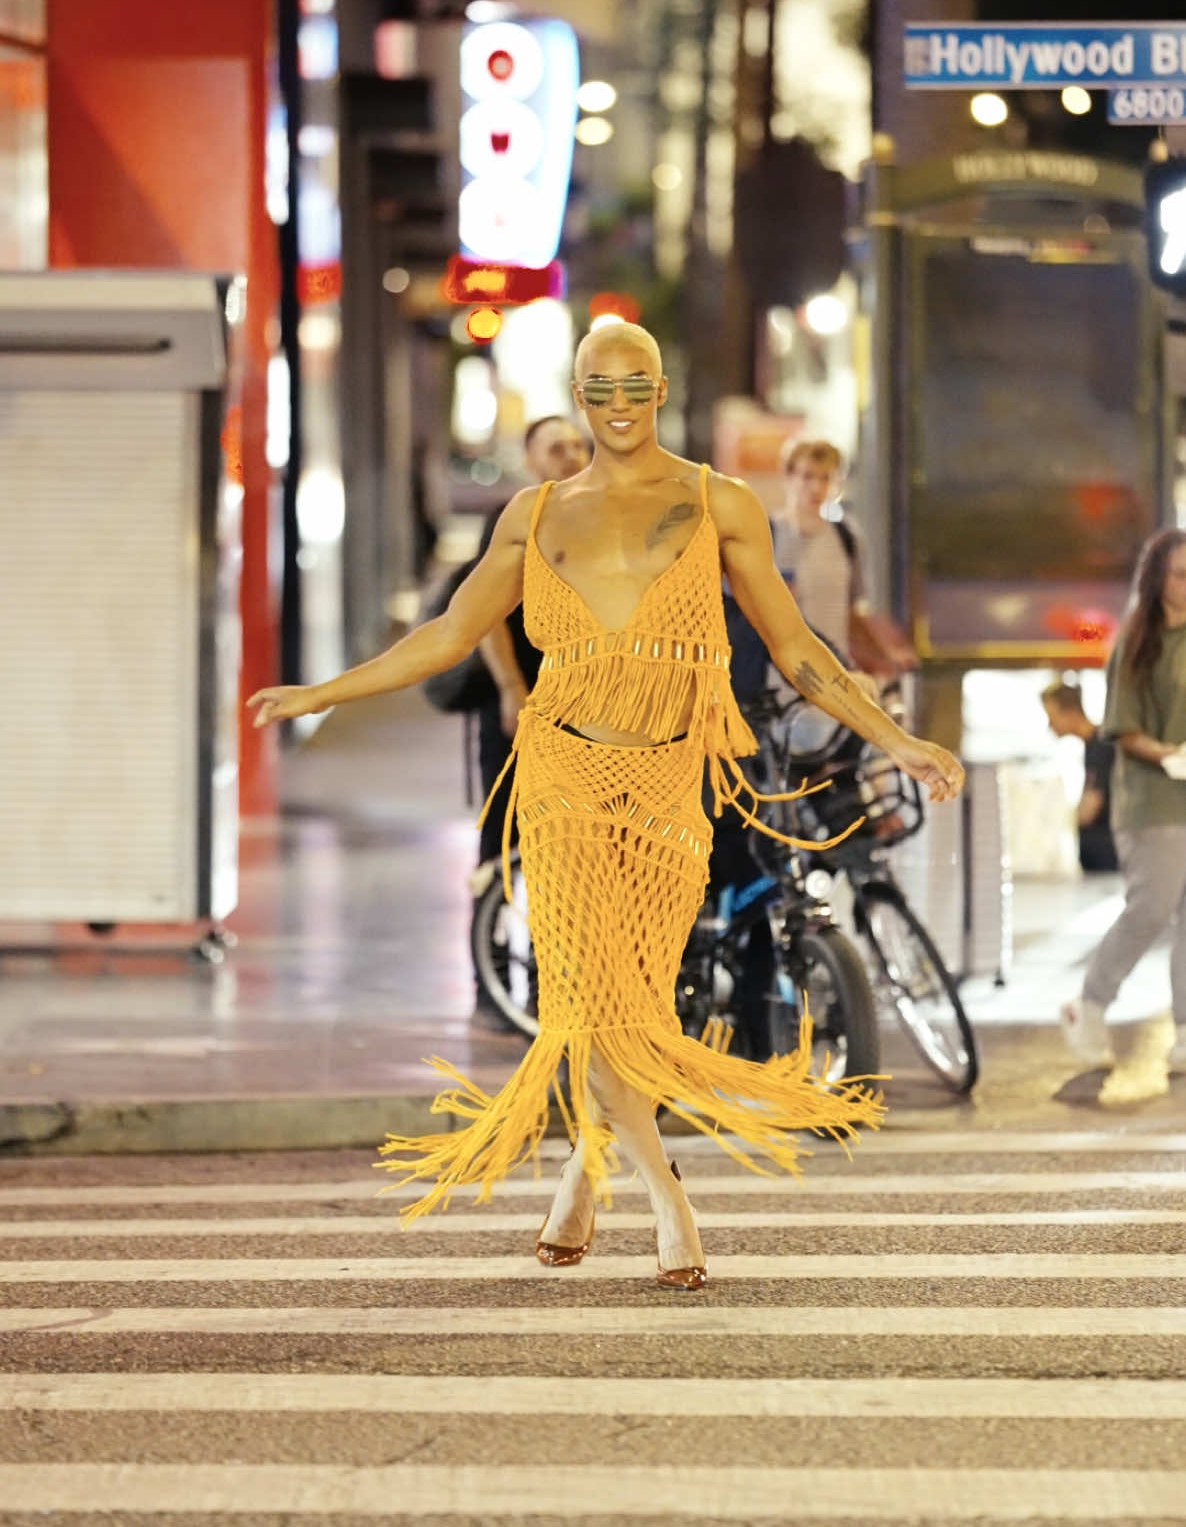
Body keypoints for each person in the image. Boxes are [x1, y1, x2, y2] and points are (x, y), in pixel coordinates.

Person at [249, 322, 964, 1289]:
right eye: (600, 388)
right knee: (585, 996)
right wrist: (317, 694)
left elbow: (797, 648)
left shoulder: (719, 503)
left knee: (630, 1002)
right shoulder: (535, 515)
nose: (619, 404)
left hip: (671, 783)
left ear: (661, 387)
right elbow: (451, 632)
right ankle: (669, 1197)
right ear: (578, 395)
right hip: (564, 780)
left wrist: (899, 740)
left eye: (636, 385)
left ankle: (585, 1169)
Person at [1060, 529, 1186, 1072]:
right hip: (1151, 798)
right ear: (1158, 578)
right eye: (1181, 572)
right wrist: (1171, 755)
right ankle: (1089, 1005)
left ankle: (1185, 1032)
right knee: (1151, 909)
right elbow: (1122, 729)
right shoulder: (1137, 642)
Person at [473, 416, 590, 877]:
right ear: (531, 461)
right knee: (505, 827)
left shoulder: (598, 522)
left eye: (577, 446)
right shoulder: (511, 520)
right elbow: (485, 616)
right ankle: (494, 940)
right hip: (518, 697)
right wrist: (510, 687)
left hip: (582, 702)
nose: (570, 455)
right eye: (556, 448)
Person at [771, 439, 916, 675]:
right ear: (789, 477)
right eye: (807, 476)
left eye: (825, 478)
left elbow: (852, 612)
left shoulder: (846, 537)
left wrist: (885, 653)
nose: (816, 487)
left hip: (833, 672)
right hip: (777, 676)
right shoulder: (767, 535)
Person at [1041, 679, 1118, 874]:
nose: (1050, 725)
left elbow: (1090, 807)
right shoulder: (1092, 746)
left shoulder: (1101, 747)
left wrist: (1050, 821)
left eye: (1052, 716)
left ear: (1070, 712)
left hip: (1105, 859)